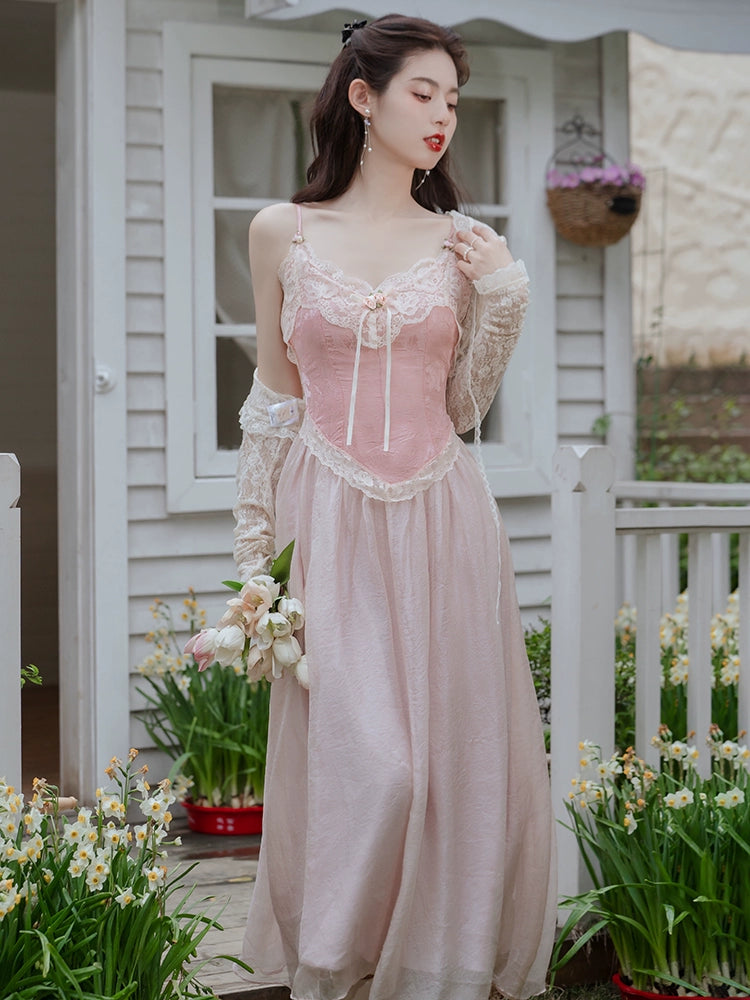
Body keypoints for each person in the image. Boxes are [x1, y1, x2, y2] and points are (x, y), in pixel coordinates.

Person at [233, 14, 556, 1000]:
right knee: (370, 768)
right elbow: (273, 399)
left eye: (454, 100)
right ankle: (333, 966)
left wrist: (501, 296)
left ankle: (430, 970)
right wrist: (255, 566)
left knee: (439, 770)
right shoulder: (282, 231)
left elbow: (463, 405)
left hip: (441, 521)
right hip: (324, 521)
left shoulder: (460, 244)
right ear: (363, 97)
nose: (444, 115)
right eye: (426, 92)